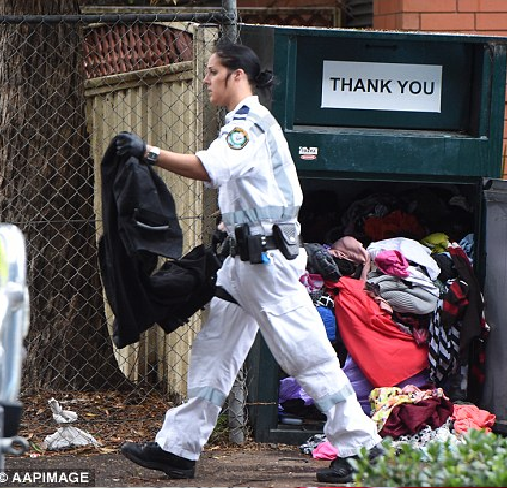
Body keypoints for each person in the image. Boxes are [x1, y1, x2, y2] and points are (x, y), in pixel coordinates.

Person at [116, 40, 381, 484]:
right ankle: (178, 448)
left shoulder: (249, 124)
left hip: (268, 265)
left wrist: (149, 153)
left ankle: (361, 447)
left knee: (307, 355)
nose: (205, 80)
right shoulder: (242, 123)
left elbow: (211, 168)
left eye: (212, 72)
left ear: (237, 75)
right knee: (213, 353)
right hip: (244, 263)